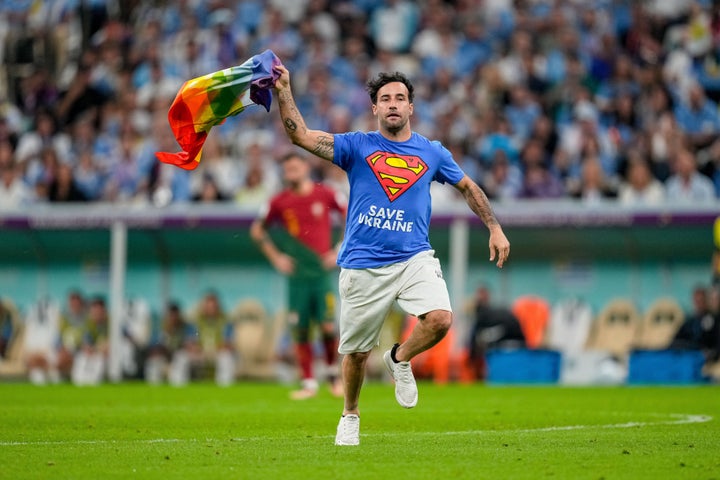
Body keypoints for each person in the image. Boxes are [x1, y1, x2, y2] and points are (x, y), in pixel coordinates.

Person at [272, 65, 510, 446]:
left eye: (400, 98)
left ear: (411, 107)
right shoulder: (357, 146)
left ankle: (399, 358)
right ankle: (350, 413)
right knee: (356, 354)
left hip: (414, 257)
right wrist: (284, 89)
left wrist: (494, 227)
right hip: (363, 264)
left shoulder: (432, 152)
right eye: (386, 99)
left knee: (440, 320)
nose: (393, 104)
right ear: (375, 109)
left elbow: (467, 186)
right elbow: (300, 135)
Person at [251, 152, 346, 400]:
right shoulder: (279, 202)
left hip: (320, 273)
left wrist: (339, 249)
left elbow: (351, 214)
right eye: (288, 169)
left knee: (326, 325)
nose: (292, 173)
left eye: (296, 168)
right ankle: (308, 383)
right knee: (300, 329)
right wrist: (276, 257)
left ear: (306, 167)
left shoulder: (324, 193)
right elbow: (257, 230)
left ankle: (333, 377)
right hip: (296, 278)